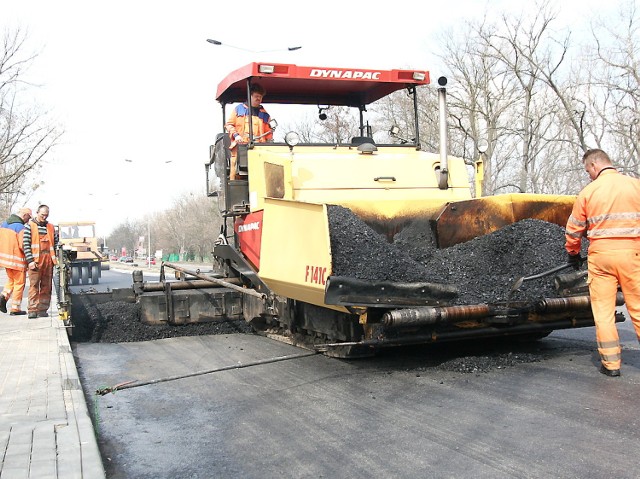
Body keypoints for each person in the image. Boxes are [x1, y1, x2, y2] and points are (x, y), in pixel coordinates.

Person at [565, 148, 640, 377]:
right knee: (638, 308)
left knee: (604, 313)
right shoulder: (635, 186)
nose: (588, 174)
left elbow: (574, 229)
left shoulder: (588, 192)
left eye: (588, 170)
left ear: (595, 166)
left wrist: (573, 254)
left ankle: (611, 365)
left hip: (601, 259)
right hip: (633, 255)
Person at [224, 83, 273, 179]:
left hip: (259, 148)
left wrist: (270, 144)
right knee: (236, 172)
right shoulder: (238, 109)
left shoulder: (264, 114)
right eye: (256, 96)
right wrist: (236, 135)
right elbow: (229, 124)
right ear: (250, 96)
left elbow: (269, 133)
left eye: (260, 97)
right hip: (240, 147)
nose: (258, 99)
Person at [23, 204, 58, 319]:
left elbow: (56, 243)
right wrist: (30, 261)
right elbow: (26, 245)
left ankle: (42, 309)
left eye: (46, 215)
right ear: (37, 213)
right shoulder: (30, 226)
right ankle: (32, 310)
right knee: (34, 285)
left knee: (46, 286)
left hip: (48, 261)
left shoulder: (51, 227)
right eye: (42, 215)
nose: (44, 217)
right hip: (36, 261)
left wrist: (55, 259)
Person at [0, 208, 32, 315]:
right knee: (19, 283)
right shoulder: (20, 227)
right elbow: (23, 245)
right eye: (29, 217)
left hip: (5, 259)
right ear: (25, 215)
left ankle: (3, 296)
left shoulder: (4, 224)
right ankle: (15, 308)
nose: (29, 220)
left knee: (11, 280)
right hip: (17, 260)